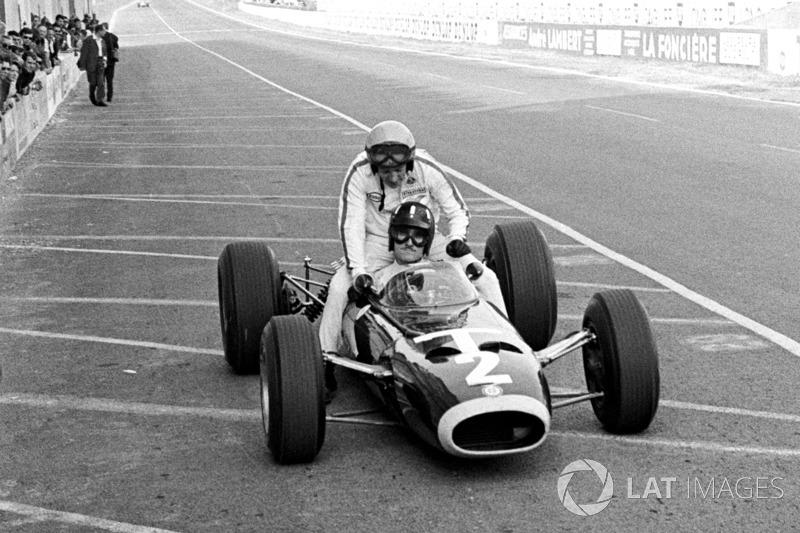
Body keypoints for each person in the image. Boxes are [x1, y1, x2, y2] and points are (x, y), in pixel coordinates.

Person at [318, 120, 505, 358]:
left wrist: (456, 238)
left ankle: (505, 342)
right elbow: (351, 224)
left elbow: (457, 210)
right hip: (380, 239)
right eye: (386, 171)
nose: (393, 177)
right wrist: (357, 271)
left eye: (398, 170)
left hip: (424, 237)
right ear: (374, 167)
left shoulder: (426, 168)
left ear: (409, 163)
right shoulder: (359, 172)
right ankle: (326, 356)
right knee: (338, 288)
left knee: (486, 278)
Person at [77, 24, 107, 106]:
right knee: (93, 82)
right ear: (99, 31)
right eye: (104, 30)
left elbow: (104, 52)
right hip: (91, 63)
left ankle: (100, 100)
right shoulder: (89, 40)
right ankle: (92, 95)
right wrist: (82, 65)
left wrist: (105, 60)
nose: (105, 32)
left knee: (101, 82)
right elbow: (84, 53)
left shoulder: (102, 41)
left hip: (100, 62)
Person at [101, 23, 119, 102]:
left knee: (101, 80)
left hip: (101, 62)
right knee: (109, 80)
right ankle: (109, 96)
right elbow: (116, 46)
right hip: (110, 61)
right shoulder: (112, 37)